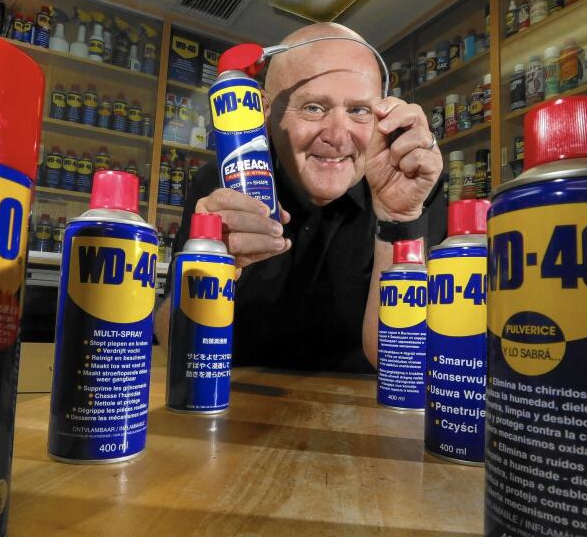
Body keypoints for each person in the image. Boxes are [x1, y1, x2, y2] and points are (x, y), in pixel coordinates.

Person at [156, 22, 445, 373]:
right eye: (313, 108)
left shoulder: (410, 182)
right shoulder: (220, 183)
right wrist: (211, 267)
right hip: (234, 408)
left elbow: (406, 368)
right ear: (264, 111)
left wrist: (398, 220)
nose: (339, 137)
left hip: (365, 415)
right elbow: (170, 339)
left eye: (358, 110)